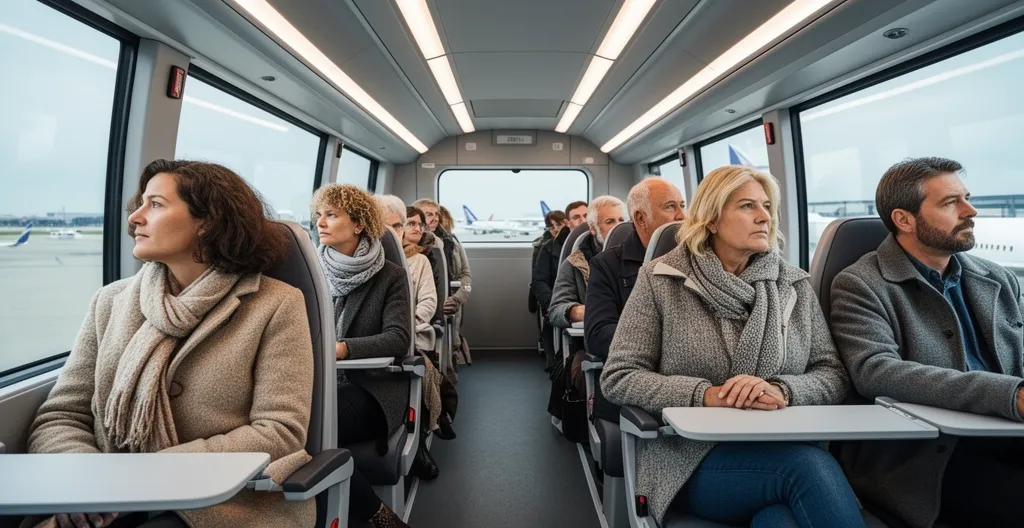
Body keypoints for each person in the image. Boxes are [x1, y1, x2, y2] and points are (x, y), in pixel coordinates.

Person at [25, 160, 316, 528]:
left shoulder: (276, 304)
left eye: (156, 204)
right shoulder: (110, 302)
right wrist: (88, 482)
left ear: (207, 221)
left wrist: (143, 477)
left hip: (222, 504)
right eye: (140, 204)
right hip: (103, 500)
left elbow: (280, 431)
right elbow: (62, 415)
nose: (135, 217)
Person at [601, 165, 856, 527]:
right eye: (747, 206)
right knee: (807, 468)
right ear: (711, 219)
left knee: (780, 520)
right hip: (691, 457)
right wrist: (706, 395)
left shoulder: (794, 285)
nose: (764, 217)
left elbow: (832, 374)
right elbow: (619, 377)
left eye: (767, 206)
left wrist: (782, 390)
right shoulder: (661, 279)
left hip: (780, 442)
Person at [830, 157, 1024, 528]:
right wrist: (1008, 395)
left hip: (1010, 432)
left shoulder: (998, 279)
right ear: (904, 220)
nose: (970, 211)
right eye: (951, 203)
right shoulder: (861, 284)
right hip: (931, 457)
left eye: (966, 198)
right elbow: (875, 371)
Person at [313, 184, 413, 527]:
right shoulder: (313, 273)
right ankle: (376, 515)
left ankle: (374, 516)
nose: (320, 222)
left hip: (371, 387)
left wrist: (343, 348)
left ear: (358, 224)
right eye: (319, 215)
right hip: (319, 382)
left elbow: (398, 339)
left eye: (331, 215)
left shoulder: (390, 276)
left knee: (311, 430)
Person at [585, 178, 685, 423]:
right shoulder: (608, 265)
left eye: (683, 205)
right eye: (671, 207)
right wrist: (669, 349)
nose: (682, 216)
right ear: (641, 218)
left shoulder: (699, 260)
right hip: (635, 383)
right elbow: (598, 334)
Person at [549, 196, 626, 394]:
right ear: (593, 228)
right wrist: (580, 311)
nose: (618, 227)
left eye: (621, 221)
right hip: (589, 346)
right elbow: (555, 310)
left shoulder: (642, 259)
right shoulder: (574, 263)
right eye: (610, 221)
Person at [412, 199, 472, 365]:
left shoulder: (452, 243)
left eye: (436, 214)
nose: (435, 219)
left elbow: (467, 279)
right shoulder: (408, 245)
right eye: (429, 214)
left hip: (449, 299)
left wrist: (458, 298)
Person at [532, 200, 588, 370]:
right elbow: (540, 281)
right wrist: (554, 307)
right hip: (560, 304)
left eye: (586, 215)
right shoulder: (550, 248)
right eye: (577, 217)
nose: (582, 220)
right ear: (567, 222)